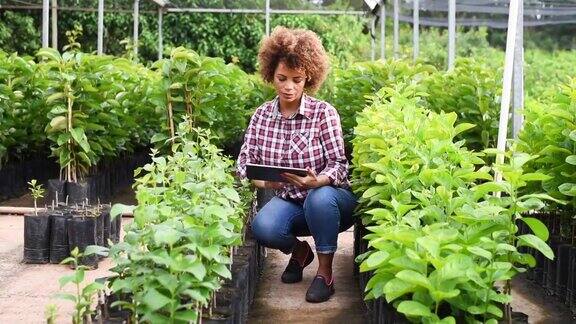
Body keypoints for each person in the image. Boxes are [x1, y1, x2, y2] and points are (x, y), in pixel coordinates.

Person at [236, 26, 357, 303]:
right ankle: (300, 253)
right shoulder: (262, 116)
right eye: (282, 78)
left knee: (319, 198)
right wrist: (264, 182)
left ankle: (324, 273)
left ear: (308, 79)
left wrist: (318, 181)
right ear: (271, 76)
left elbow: (339, 165)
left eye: (296, 79)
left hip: (331, 200)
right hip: (292, 200)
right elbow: (244, 162)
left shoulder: (323, 113)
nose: (288, 86)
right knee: (263, 227)